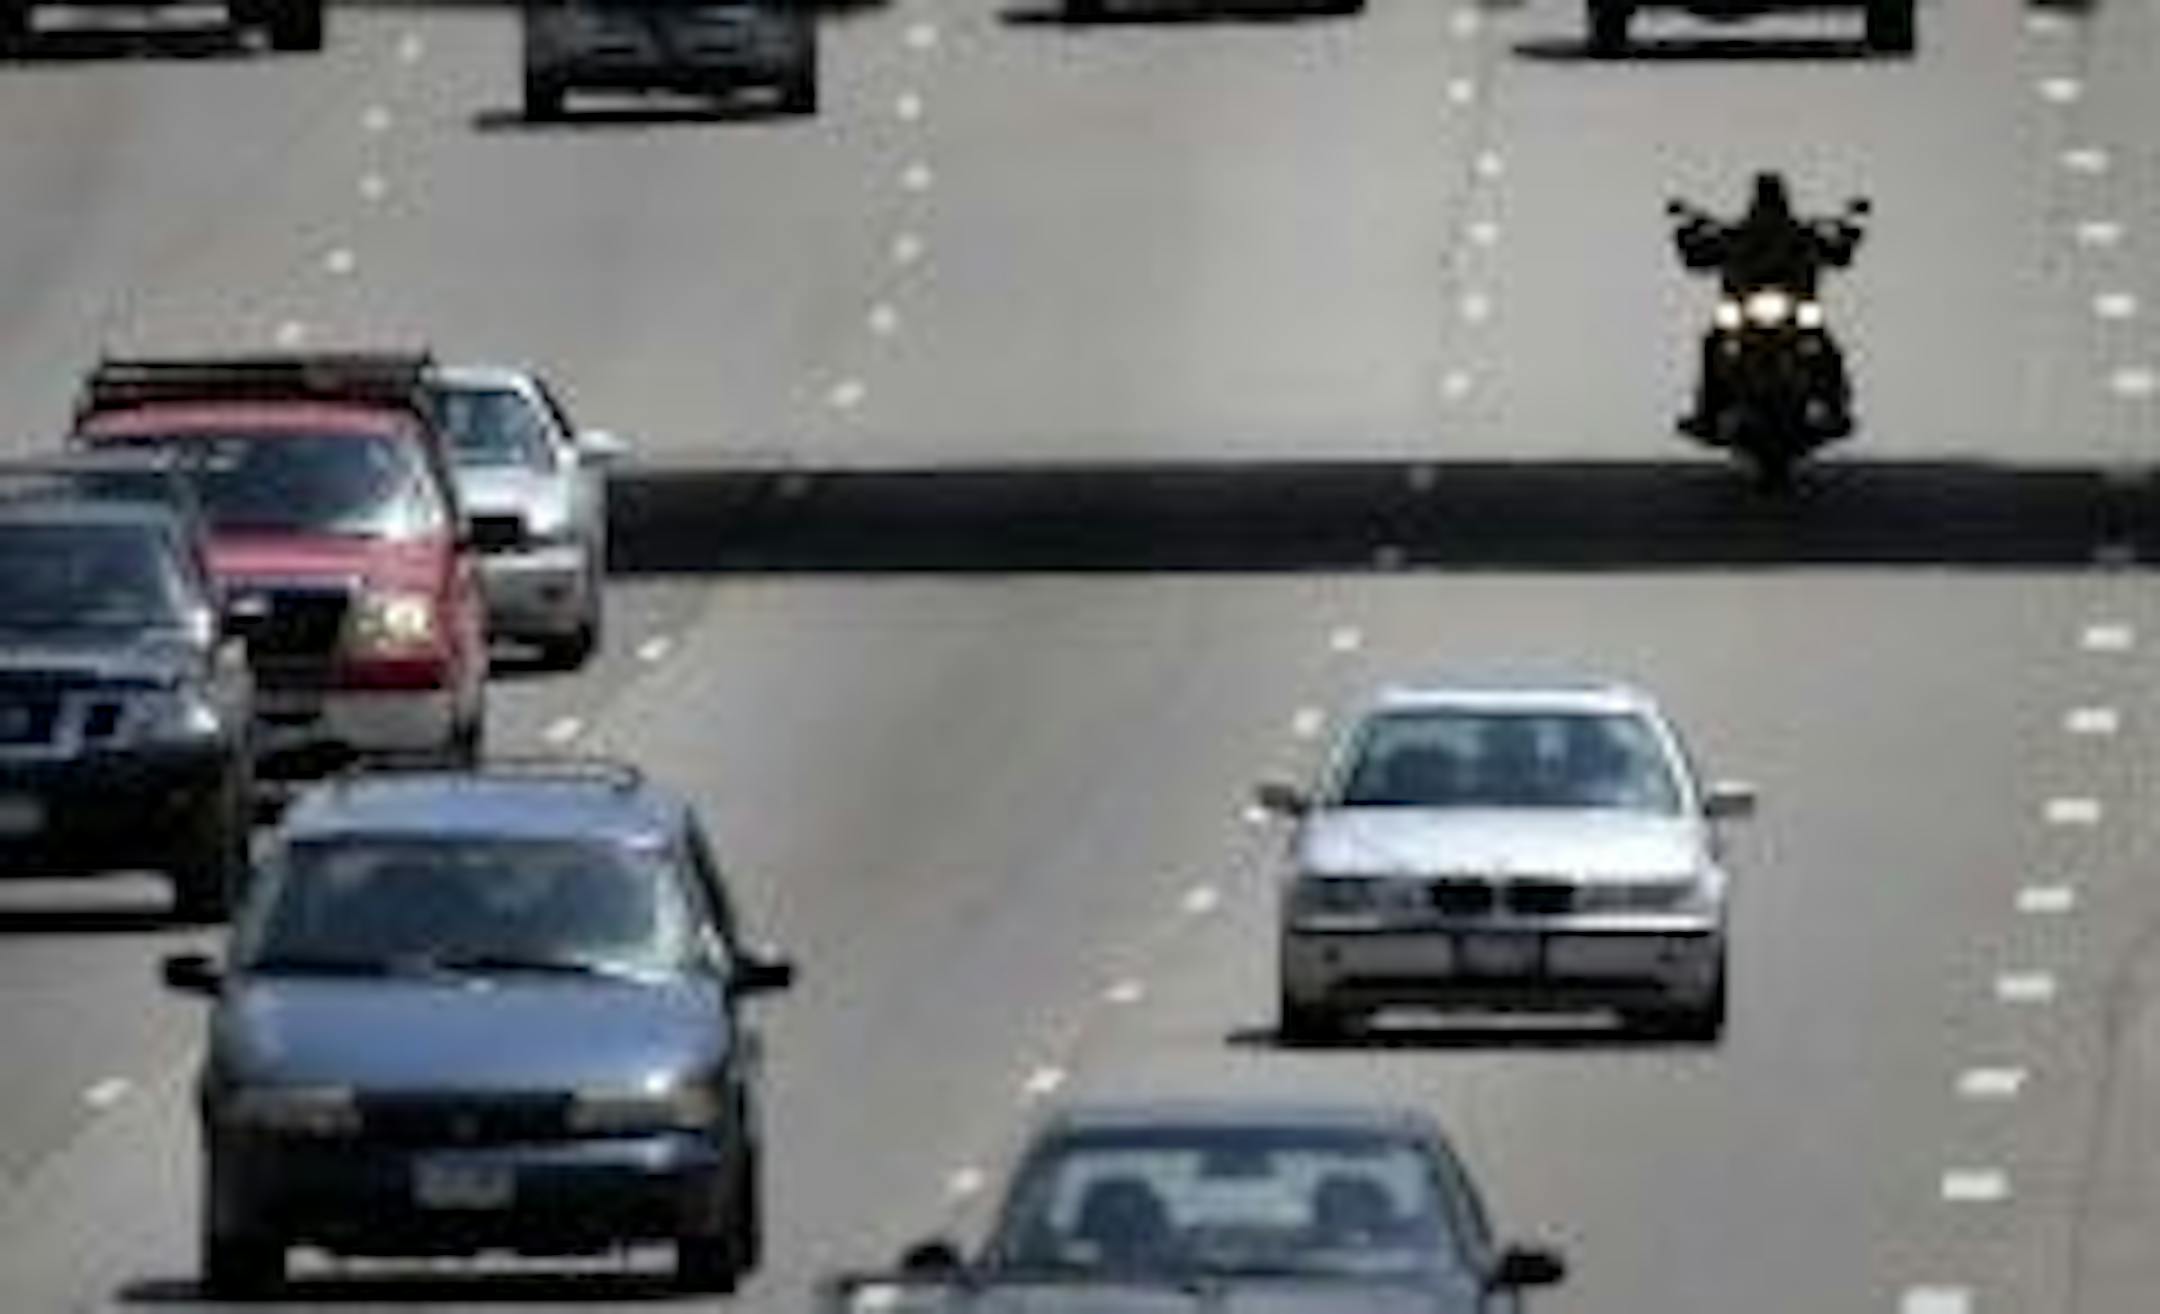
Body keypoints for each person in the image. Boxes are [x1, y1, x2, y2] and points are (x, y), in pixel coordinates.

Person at [1672, 172, 1867, 438]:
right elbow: (1698, 259)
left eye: (1772, 198)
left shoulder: (1800, 235)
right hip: (1743, 310)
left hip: (1795, 309)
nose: (1768, 206)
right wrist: (1687, 236)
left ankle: (1835, 408)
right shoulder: (1737, 235)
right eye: (1764, 198)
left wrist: (1847, 234)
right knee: (1714, 345)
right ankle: (1706, 413)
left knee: (1825, 348)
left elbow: (1838, 255)